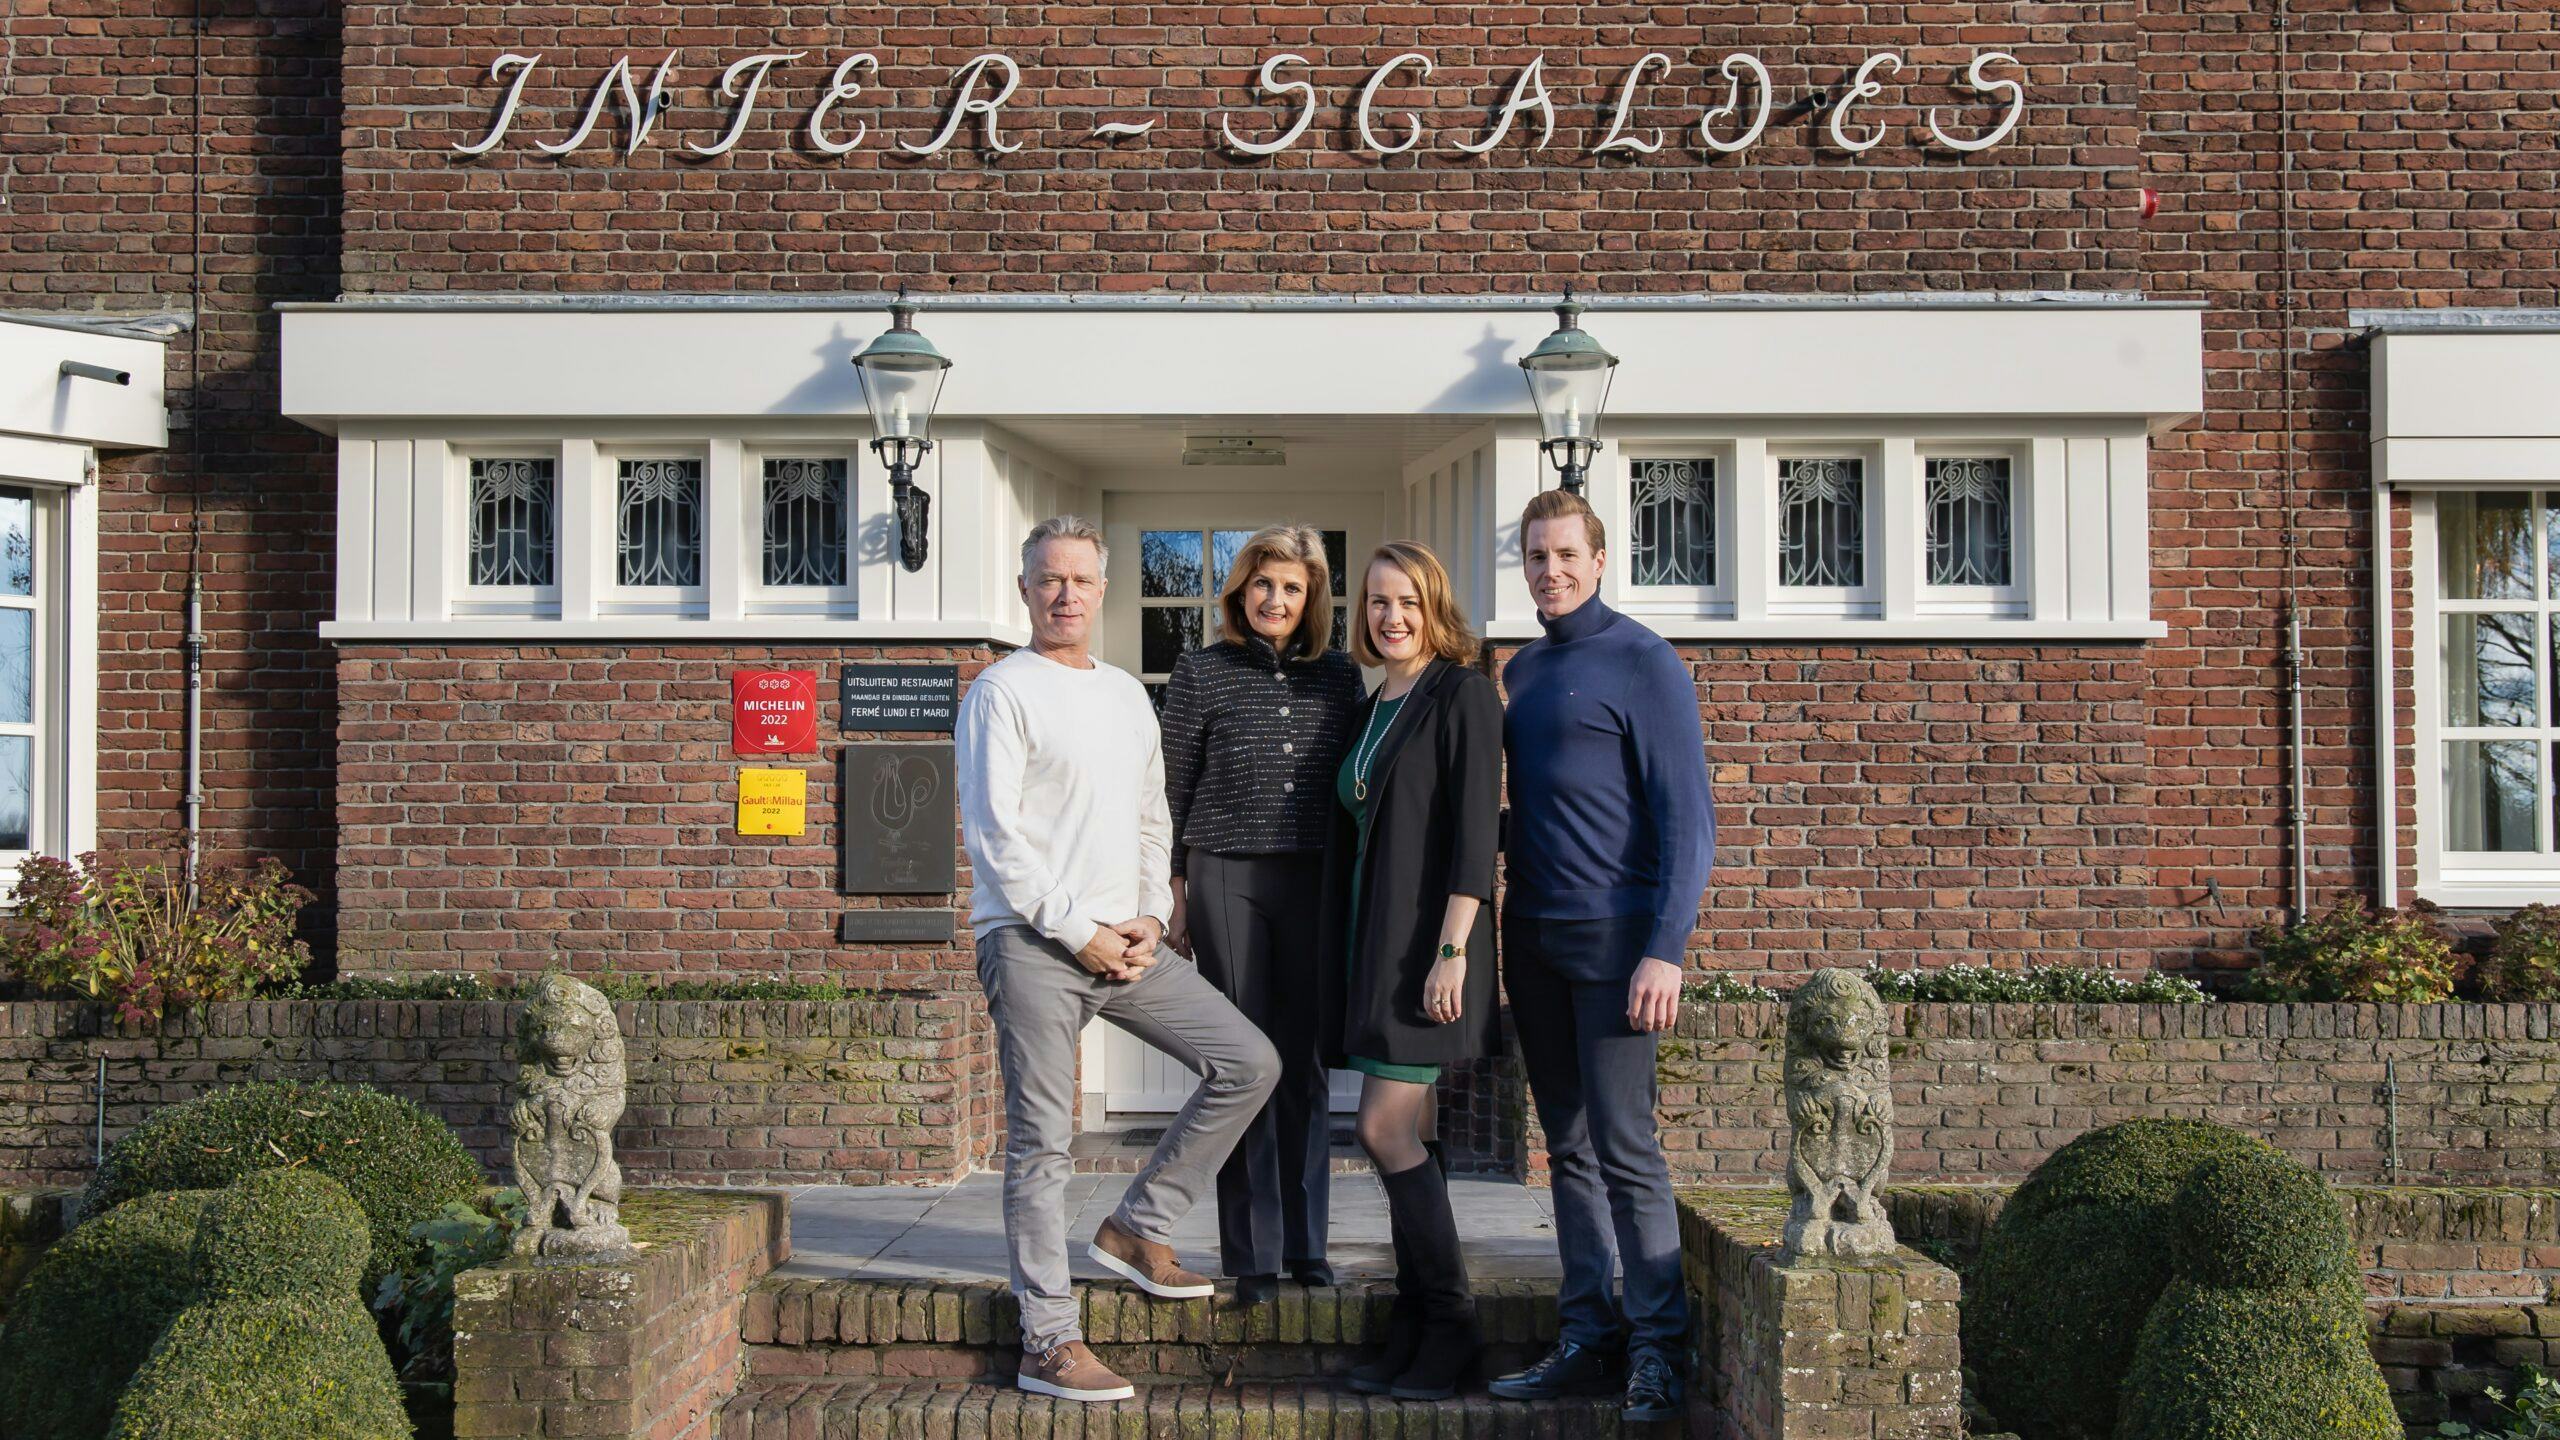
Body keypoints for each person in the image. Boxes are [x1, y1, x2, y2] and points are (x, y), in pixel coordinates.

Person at [956, 514, 1282, 1405]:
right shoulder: (1000, 692)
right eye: (1049, 579)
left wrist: (1148, 913)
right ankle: (1048, 1339)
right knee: (1042, 1144)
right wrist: (1079, 930)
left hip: (1126, 942)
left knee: (1248, 1061)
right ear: (1025, 590)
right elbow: (996, 838)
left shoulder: (1125, 694)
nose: (1065, 594)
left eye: (1080, 580)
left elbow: (1150, 814)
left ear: (1102, 590)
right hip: (1033, 942)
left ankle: (1139, 1224)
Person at [1487, 488, 1715, 1423]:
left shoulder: (1644, 661)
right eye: (1536, 556)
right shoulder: (1525, 670)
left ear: (1600, 559)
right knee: (1566, 1147)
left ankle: (1657, 1349)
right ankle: (1588, 1335)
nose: (1551, 571)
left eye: (1566, 554)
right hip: (1532, 938)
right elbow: (1537, 809)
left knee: (1624, 1145)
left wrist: (1666, 949)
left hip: (1618, 943)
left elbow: (1688, 819)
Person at [1316, 540, 1504, 1401]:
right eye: (1378, 602)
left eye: (1408, 602)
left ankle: (1454, 1327)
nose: (1392, 617)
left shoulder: (1461, 692)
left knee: (1380, 1130)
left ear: (1435, 608)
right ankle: (1416, 1322)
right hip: (1376, 942)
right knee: (1411, 1136)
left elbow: (1474, 832)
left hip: (1431, 947)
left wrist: (1452, 951)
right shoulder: (1372, 703)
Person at [1159, 525, 1363, 1305]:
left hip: (1312, 879)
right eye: (1263, 584)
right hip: (1224, 875)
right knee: (1245, 1060)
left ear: (1311, 599)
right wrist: (1173, 889)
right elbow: (1172, 784)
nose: (1275, 599)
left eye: (1292, 588)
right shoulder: (1201, 671)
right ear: (1241, 591)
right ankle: (1251, 1254)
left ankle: (1307, 1245)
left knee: (1303, 1062)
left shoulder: (1338, 677)